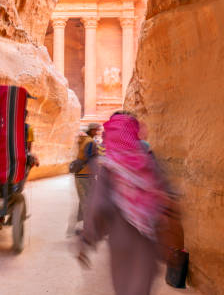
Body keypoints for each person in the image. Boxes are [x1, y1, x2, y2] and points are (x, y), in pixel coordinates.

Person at [78, 111, 170, 295]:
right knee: (142, 286)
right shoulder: (147, 161)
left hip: (120, 239)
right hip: (147, 240)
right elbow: (165, 195)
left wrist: (88, 238)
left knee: (123, 285)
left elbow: (98, 206)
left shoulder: (108, 167)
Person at [72, 122, 101, 232]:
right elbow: (90, 159)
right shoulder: (90, 142)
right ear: (92, 130)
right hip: (85, 175)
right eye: (97, 130)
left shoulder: (84, 140)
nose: (98, 132)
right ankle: (87, 228)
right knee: (87, 202)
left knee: (83, 200)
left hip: (81, 174)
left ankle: (79, 225)